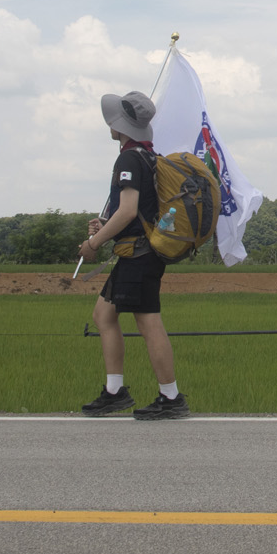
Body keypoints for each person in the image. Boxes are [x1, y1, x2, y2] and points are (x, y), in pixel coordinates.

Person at [78, 91, 188, 420]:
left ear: (121, 125)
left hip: (139, 254)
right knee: (104, 316)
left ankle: (170, 397)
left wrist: (94, 242)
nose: (109, 124)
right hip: (139, 252)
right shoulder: (147, 156)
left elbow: (127, 212)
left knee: (148, 321)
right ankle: (115, 391)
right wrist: (107, 225)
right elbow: (136, 211)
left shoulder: (128, 159)